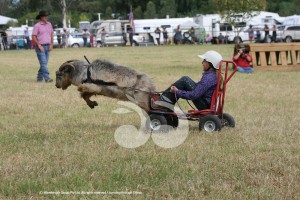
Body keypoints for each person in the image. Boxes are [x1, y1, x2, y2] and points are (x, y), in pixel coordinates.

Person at [153, 50, 223, 111]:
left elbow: (194, 95)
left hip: (204, 105)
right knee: (185, 80)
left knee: (185, 80)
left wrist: (177, 91)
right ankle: (164, 102)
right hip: (206, 103)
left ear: (210, 64)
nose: (202, 63)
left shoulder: (209, 78)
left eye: (204, 61)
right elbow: (199, 89)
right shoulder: (213, 75)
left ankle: (162, 103)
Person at [32, 10, 54, 83]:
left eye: (46, 16)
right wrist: (38, 45)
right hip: (40, 47)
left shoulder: (49, 24)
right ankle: (47, 78)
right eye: (44, 16)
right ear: (41, 17)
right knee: (44, 63)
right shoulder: (37, 26)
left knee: (44, 64)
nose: (46, 17)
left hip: (47, 46)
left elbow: (51, 34)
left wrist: (51, 44)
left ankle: (39, 78)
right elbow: (33, 36)